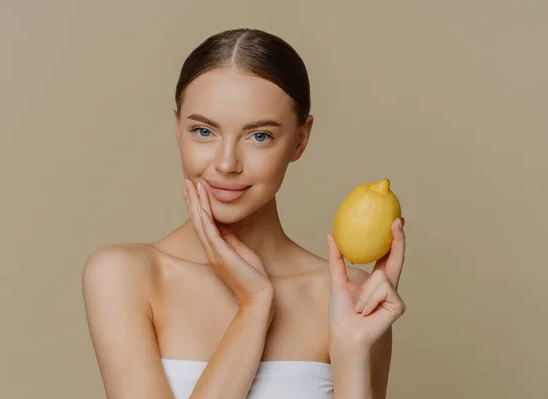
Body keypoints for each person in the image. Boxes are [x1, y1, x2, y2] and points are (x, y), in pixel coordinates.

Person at [82, 28, 407, 399]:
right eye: (204, 131)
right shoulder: (125, 274)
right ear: (177, 127)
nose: (226, 163)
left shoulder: (348, 296)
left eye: (259, 136)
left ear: (301, 139)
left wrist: (352, 352)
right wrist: (254, 308)